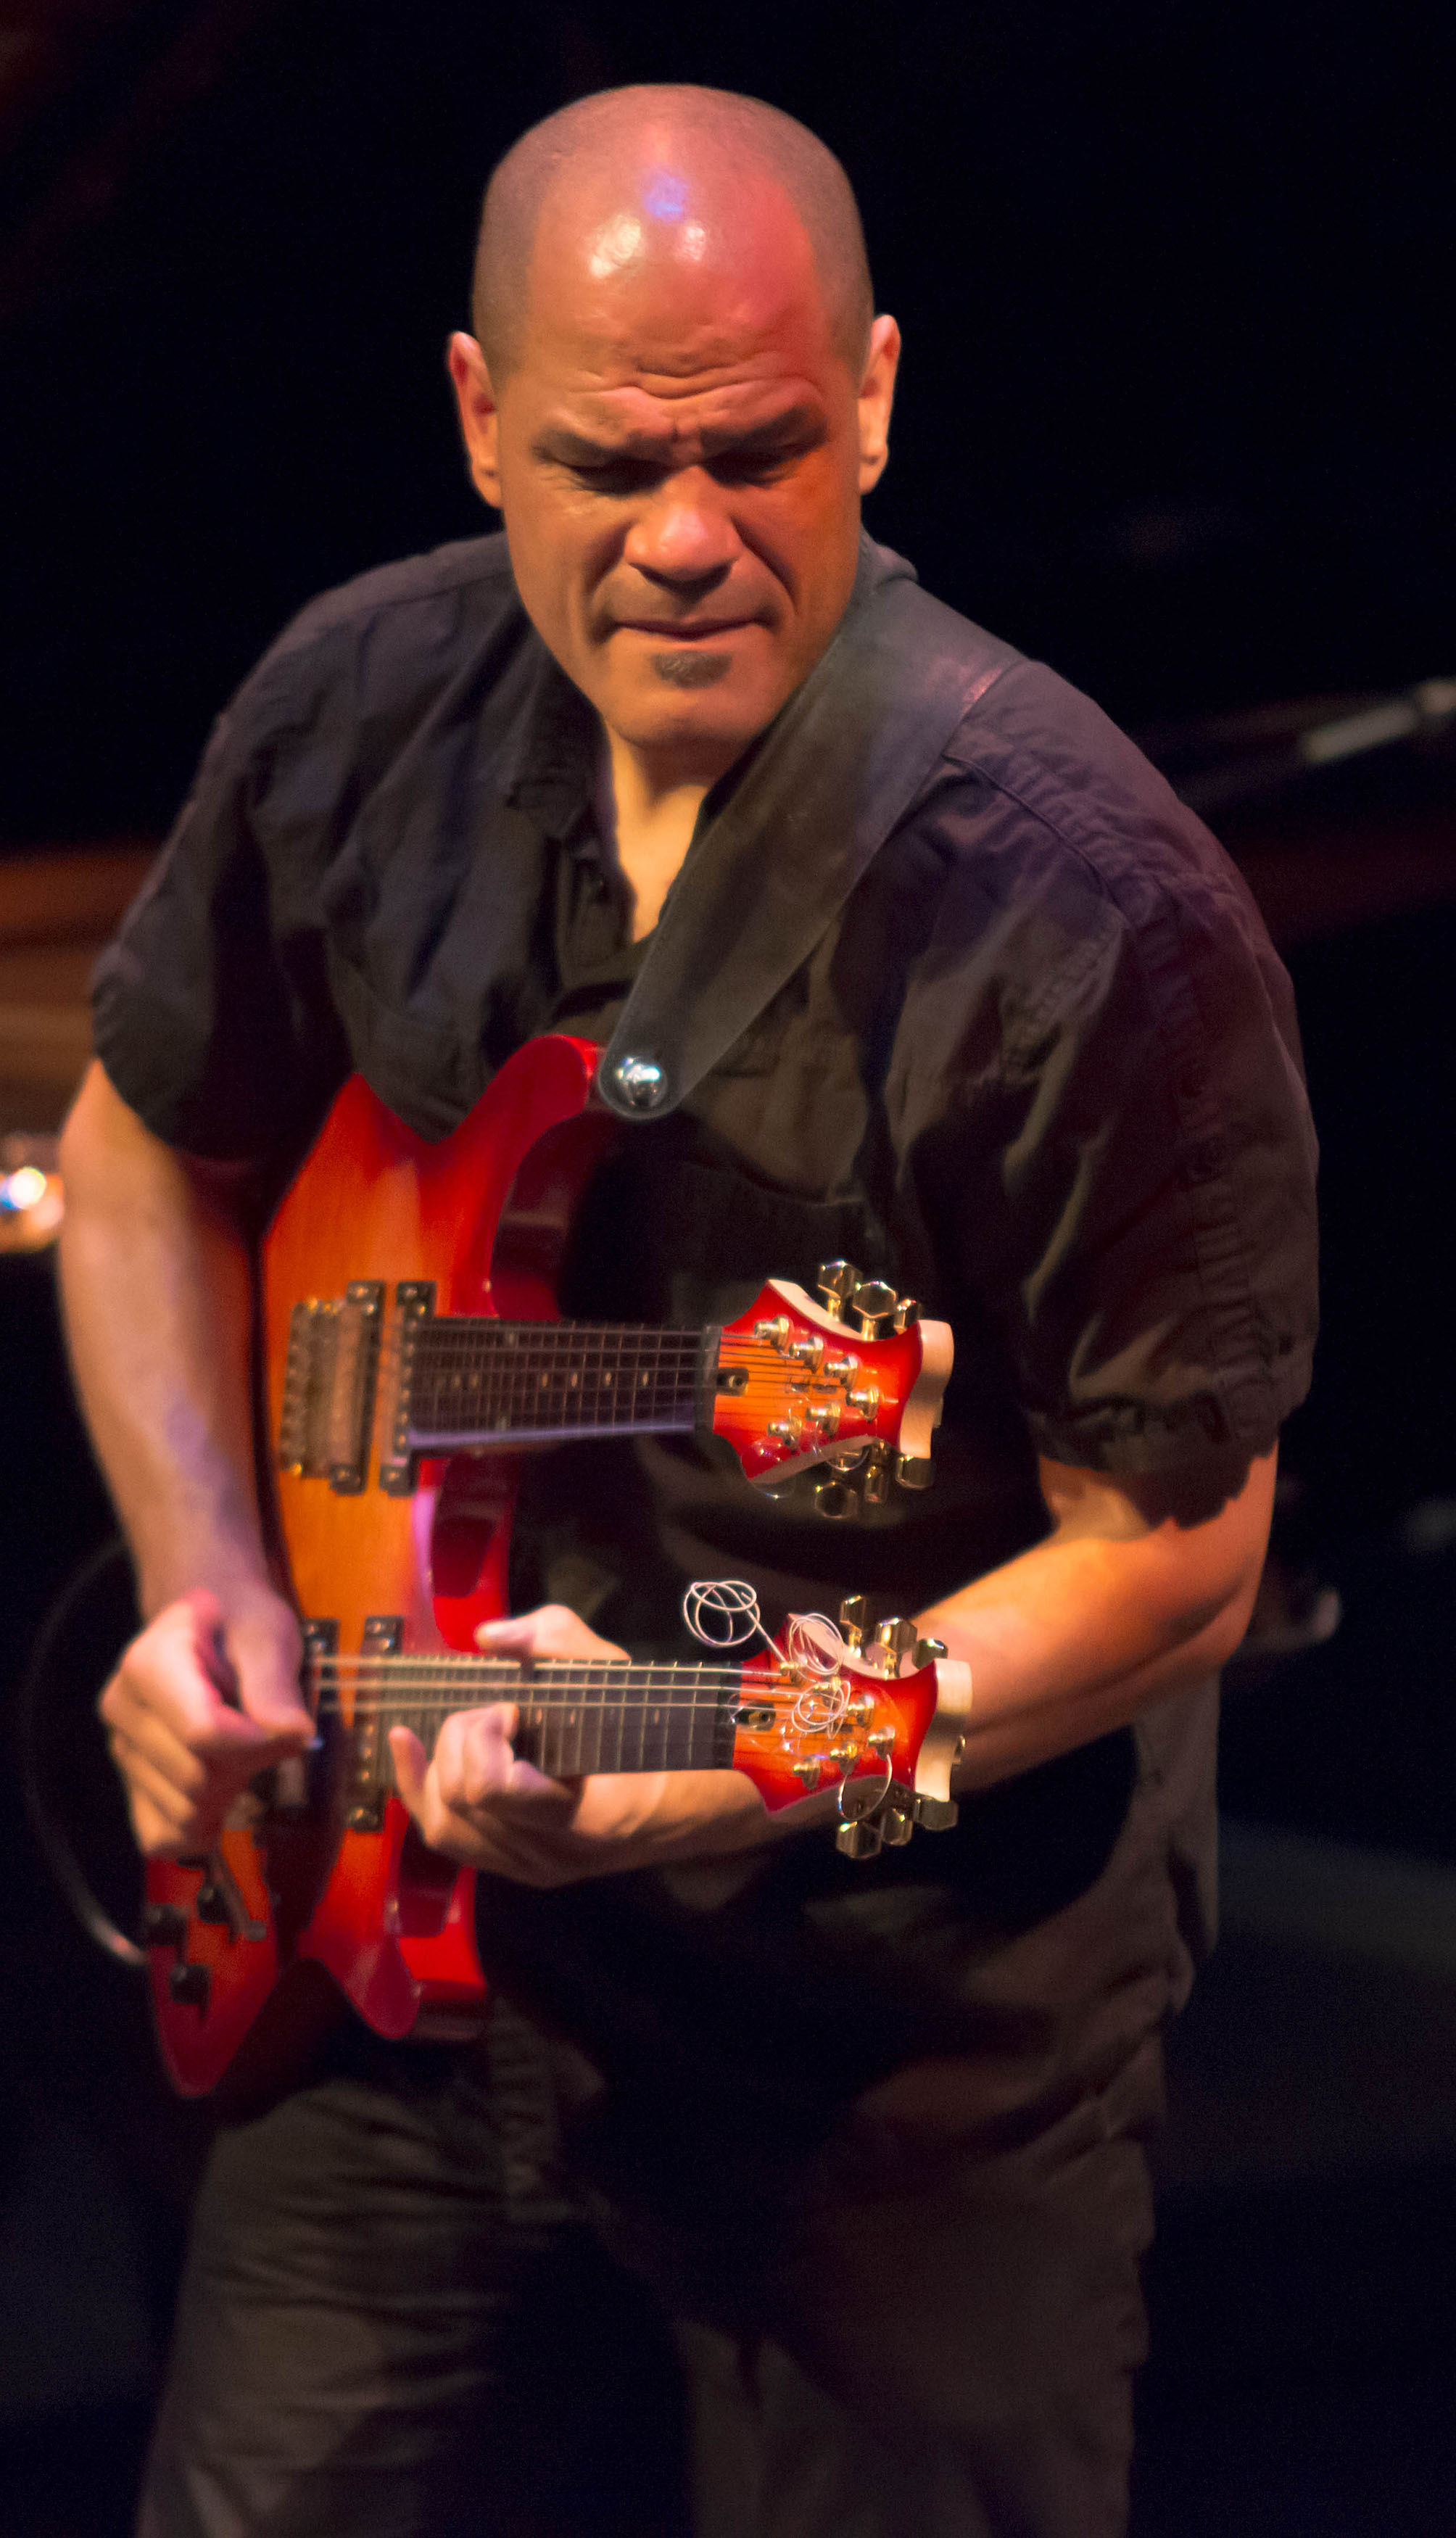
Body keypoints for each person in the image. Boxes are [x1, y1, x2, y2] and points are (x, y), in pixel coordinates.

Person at [58, 83, 1317, 2538]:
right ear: (474, 418)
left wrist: (719, 1744)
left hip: (893, 2049)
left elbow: (1179, 1552)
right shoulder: (356, 713)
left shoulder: (1087, 914)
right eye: (611, 460)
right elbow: (140, 1150)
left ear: (870, 394)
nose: (688, 540)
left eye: (758, 448)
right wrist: (210, 1578)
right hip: (393, 1964)